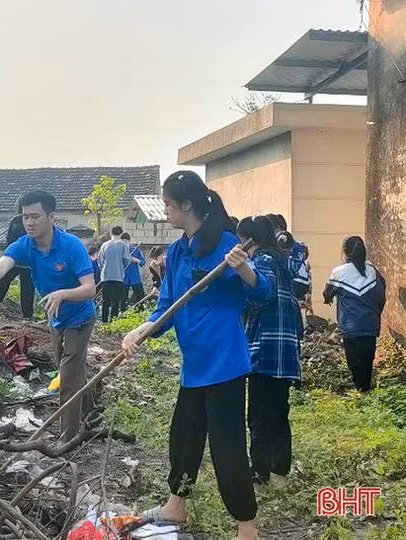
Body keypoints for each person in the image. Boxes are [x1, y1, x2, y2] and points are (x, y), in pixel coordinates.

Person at [121, 171, 267, 540]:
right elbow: (167, 307)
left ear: (187, 204)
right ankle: (176, 507)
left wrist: (244, 269)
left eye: (168, 203)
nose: (165, 210)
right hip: (195, 365)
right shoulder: (176, 252)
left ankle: (246, 527)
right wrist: (141, 330)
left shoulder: (226, 245)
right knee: (184, 438)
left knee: (227, 446)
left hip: (224, 363)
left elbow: (261, 294)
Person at [0, 190, 97, 443]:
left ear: (51, 217)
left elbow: (90, 289)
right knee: (71, 369)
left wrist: (63, 294)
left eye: (35, 217)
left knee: (68, 377)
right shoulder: (25, 245)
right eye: (25, 217)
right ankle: (91, 414)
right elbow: (4, 263)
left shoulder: (71, 246)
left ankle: (68, 438)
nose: (29, 222)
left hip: (80, 317)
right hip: (56, 318)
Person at [237, 216, 301, 489]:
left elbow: (261, 296)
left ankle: (259, 473)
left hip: (265, 349)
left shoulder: (261, 261)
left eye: (241, 240)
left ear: (249, 240)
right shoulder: (283, 262)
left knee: (259, 417)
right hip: (285, 351)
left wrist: (242, 273)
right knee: (278, 413)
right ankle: (279, 472)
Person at [323, 237, 387, 392]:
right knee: (367, 360)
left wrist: (328, 299)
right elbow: (381, 296)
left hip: (350, 326)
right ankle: (366, 390)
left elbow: (327, 293)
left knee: (355, 362)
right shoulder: (373, 271)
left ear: (345, 252)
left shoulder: (339, 272)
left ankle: (361, 391)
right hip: (370, 324)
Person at [0, 198, 35, 318]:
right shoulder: (33, 221)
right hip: (29, 261)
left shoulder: (15, 220)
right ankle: (27, 315)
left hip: (14, 259)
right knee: (28, 289)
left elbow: (9, 239)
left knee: (4, 281)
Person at [98, 226, 131, 323]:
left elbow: (100, 262)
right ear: (121, 234)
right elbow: (126, 260)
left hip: (106, 277)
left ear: (111, 233)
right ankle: (113, 322)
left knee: (105, 301)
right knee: (115, 302)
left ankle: (104, 321)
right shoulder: (123, 245)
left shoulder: (104, 245)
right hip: (118, 277)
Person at [121, 232, 146, 310]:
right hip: (124, 277)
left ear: (129, 241)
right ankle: (122, 312)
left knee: (140, 296)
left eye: (125, 242)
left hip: (135, 277)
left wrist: (136, 260)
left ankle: (141, 311)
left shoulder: (135, 250)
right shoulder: (120, 251)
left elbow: (143, 262)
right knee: (123, 298)